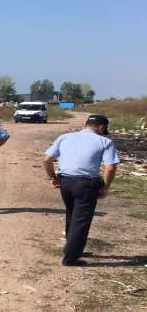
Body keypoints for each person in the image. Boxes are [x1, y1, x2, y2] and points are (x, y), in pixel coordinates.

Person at [43, 114, 120, 266]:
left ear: (85, 125)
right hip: (86, 184)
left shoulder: (65, 137)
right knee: (81, 219)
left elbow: (46, 159)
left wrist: (53, 177)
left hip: (65, 182)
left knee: (72, 214)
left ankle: (72, 247)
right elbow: (110, 167)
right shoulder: (104, 141)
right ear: (102, 127)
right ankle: (70, 258)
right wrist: (105, 187)